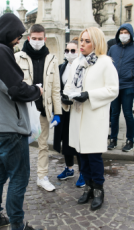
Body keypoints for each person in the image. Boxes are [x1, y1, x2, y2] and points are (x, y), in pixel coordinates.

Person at [0, 14, 44, 230]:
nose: (18, 40)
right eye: (17, 36)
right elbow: (16, 89)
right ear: (8, 31)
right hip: (10, 128)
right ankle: (17, 228)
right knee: (19, 177)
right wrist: (37, 91)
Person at [63, 27, 119, 210]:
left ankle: (98, 190)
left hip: (94, 117)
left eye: (87, 41)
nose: (82, 44)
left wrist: (89, 95)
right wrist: (66, 97)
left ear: (96, 43)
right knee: (81, 155)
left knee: (94, 156)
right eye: (81, 40)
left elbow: (112, 90)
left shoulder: (105, 63)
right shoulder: (77, 64)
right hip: (78, 115)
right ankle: (87, 187)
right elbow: (69, 86)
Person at [15, 24, 62, 192]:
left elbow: (56, 88)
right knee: (21, 147)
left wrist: (58, 112)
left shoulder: (51, 59)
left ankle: (42, 177)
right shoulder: (18, 57)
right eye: (33, 39)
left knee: (43, 145)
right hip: (24, 111)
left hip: (43, 111)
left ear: (45, 39)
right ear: (29, 38)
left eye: (39, 39)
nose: (36, 42)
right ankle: (19, 178)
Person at [107, 23, 134, 152]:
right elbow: (107, 67)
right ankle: (113, 139)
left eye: (126, 32)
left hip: (128, 86)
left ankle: (130, 140)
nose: (123, 34)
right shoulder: (113, 48)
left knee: (128, 114)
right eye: (121, 32)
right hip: (113, 86)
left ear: (130, 34)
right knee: (114, 114)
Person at [53, 37, 85, 187]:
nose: (69, 53)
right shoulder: (61, 67)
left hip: (78, 109)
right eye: (67, 50)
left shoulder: (83, 67)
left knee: (78, 140)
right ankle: (69, 168)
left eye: (73, 50)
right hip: (64, 109)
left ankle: (84, 172)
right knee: (65, 139)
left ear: (78, 51)